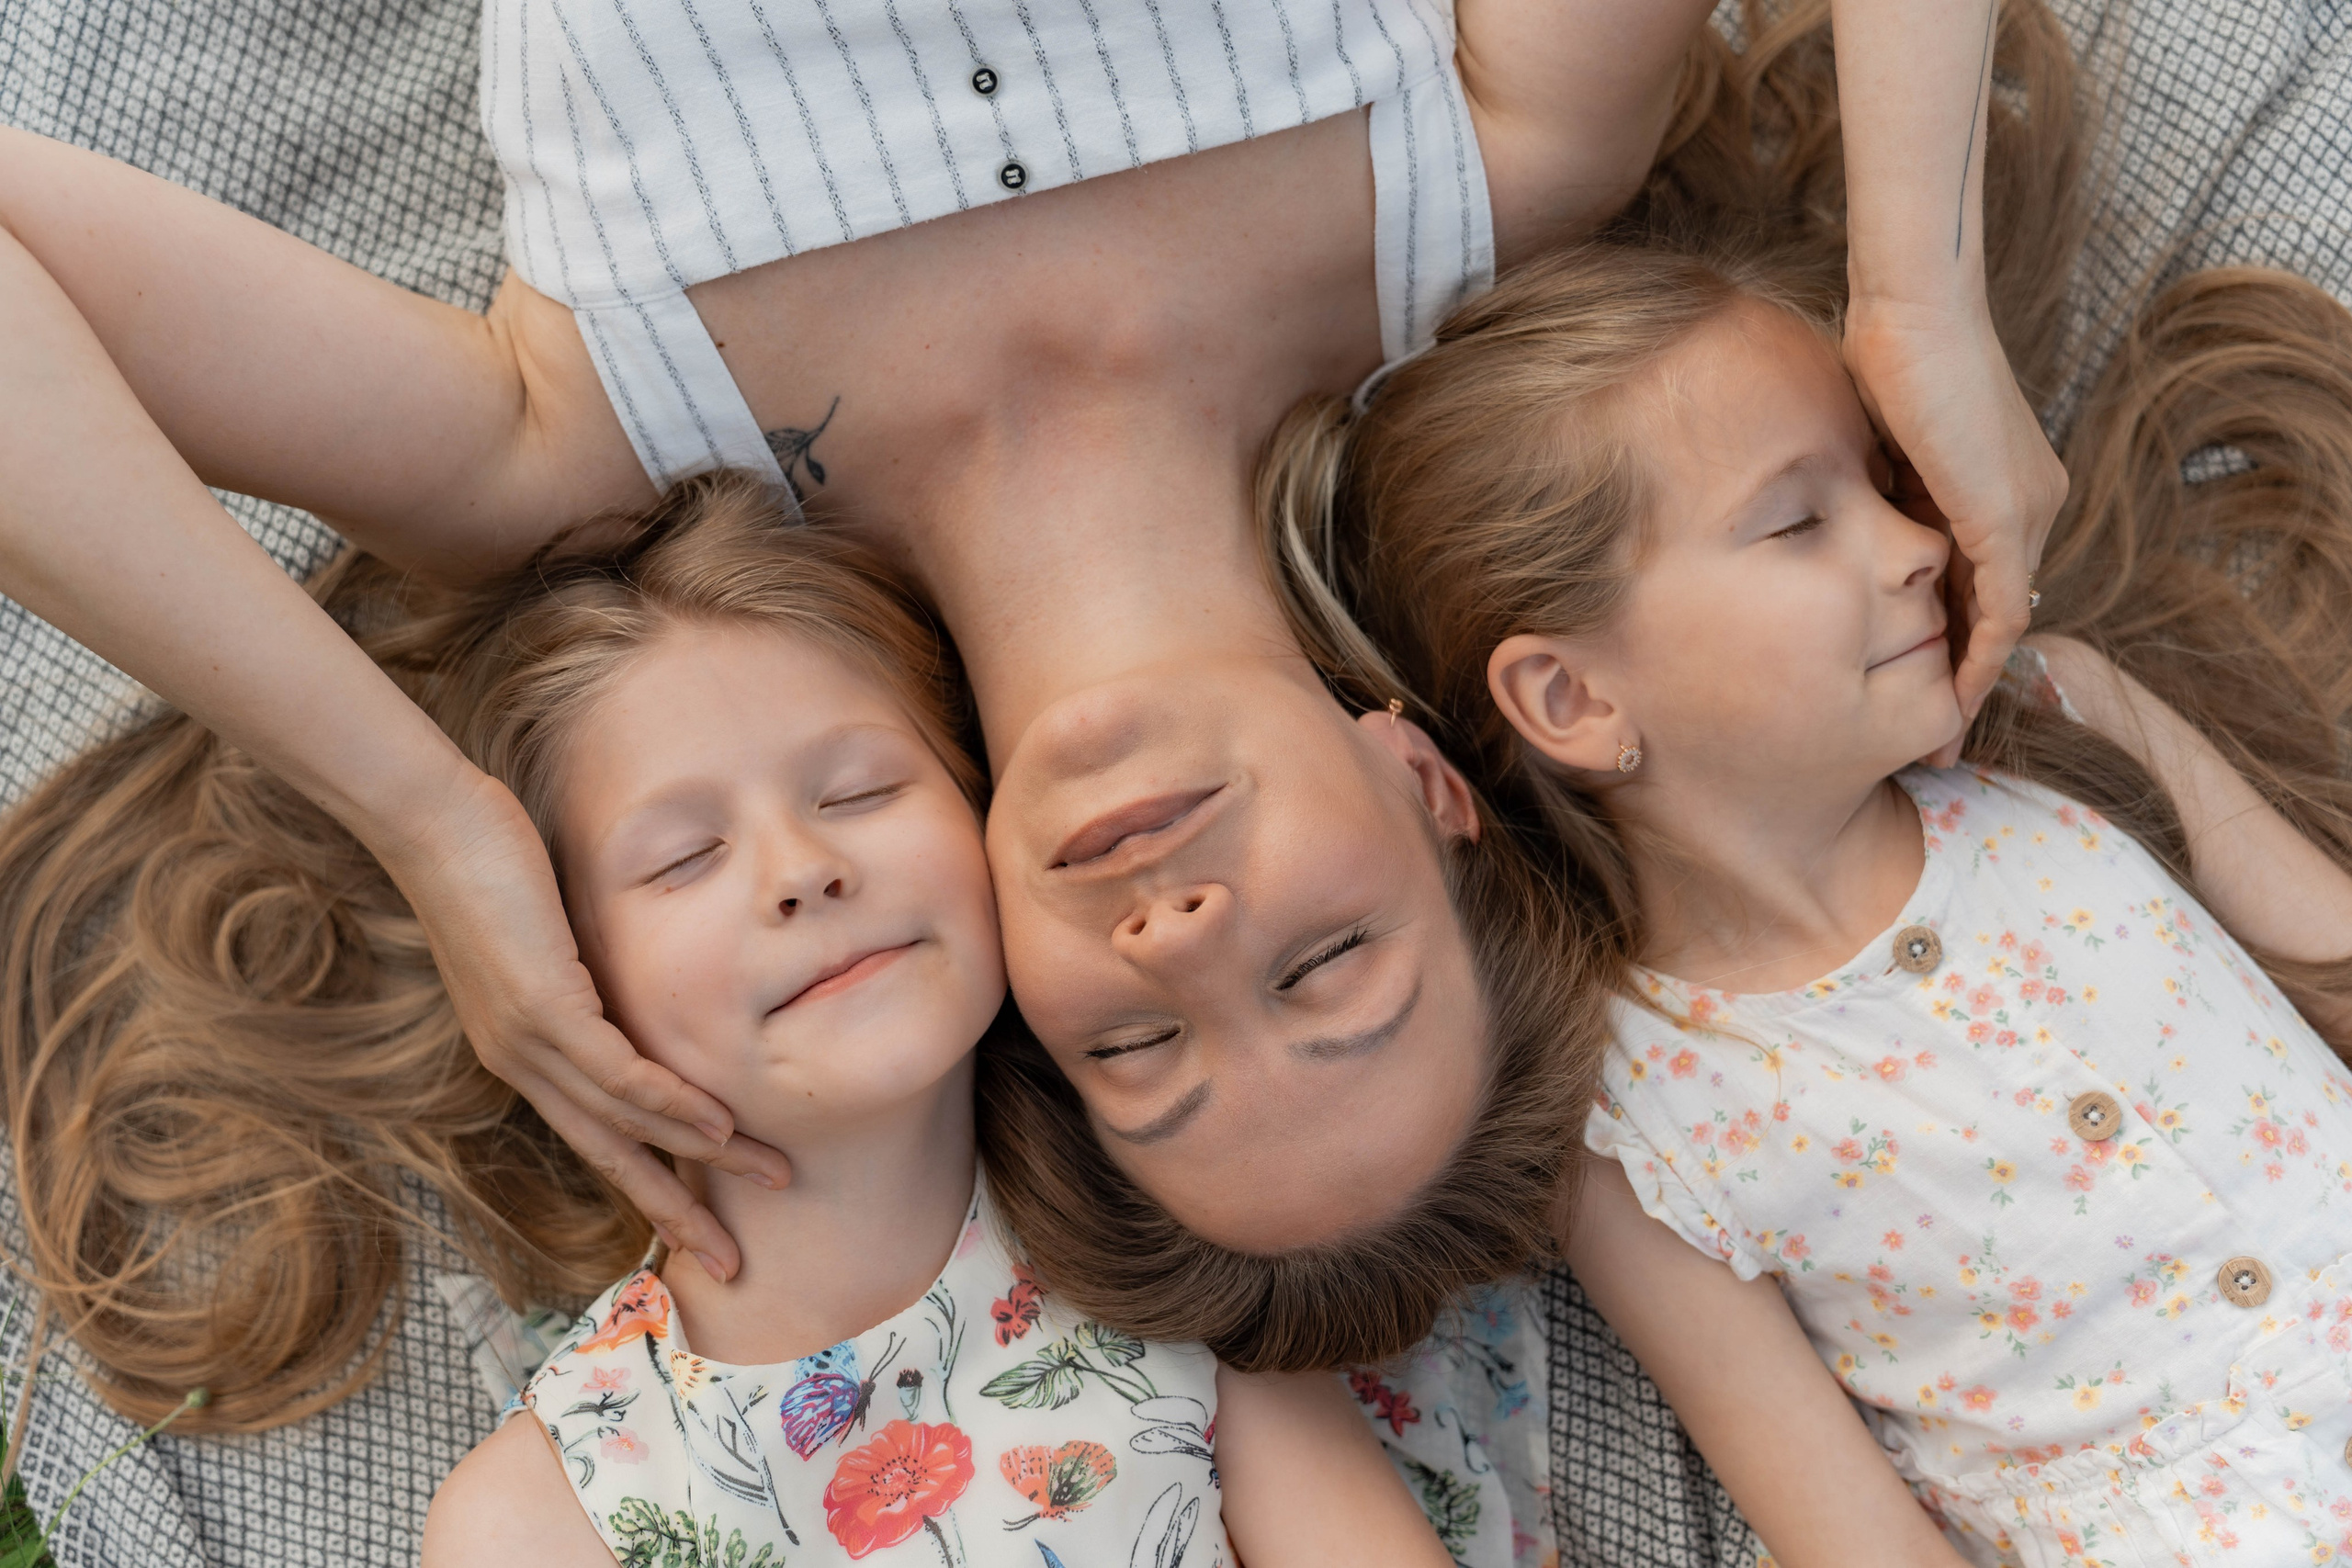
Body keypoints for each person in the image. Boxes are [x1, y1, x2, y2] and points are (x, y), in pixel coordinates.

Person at [0, 0, 2061, 1293]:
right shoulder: (1502, 161)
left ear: (1005, 985)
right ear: (1429, 786)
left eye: (1137, 1049)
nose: (1181, 935)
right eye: (1326, 969)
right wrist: (1915, 302)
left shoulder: (579, 453)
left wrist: (425, 811)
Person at [1250, 5, 2352, 1555]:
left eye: (1883, 484)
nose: (1912, 545)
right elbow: (1841, 1525)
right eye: (1798, 521)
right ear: (1573, 697)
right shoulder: (1633, 1124)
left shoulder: (2060, 711)